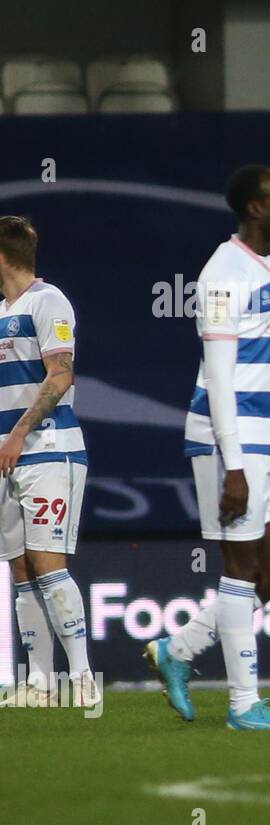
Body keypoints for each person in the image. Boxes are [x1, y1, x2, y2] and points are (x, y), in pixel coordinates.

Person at [144, 166, 270, 731]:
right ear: (255, 209)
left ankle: (179, 650)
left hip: (268, 441)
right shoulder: (220, 275)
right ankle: (243, 705)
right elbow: (217, 374)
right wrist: (233, 465)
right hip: (228, 442)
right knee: (240, 569)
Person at [0, 215, 95, 709]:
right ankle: (39, 684)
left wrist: (18, 432)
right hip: (6, 459)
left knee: (47, 563)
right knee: (19, 569)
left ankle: (81, 678)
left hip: (47, 450)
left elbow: (60, 376)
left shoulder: (49, 300)